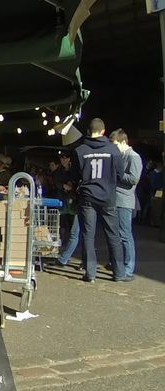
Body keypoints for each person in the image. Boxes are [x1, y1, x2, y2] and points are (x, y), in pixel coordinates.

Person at [70, 118, 127, 282]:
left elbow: (75, 176)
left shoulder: (80, 150)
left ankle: (90, 273)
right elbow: (120, 175)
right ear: (103, 131)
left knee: (88, 235)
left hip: (87, 197)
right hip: (108, 197)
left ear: (88, 131)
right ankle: (118, 273)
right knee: (113, 235)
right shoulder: (113, 149)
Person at [112, 129, 142, 277]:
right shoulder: (122, 156)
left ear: (123, 142)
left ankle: (129, 267)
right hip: (117, 199)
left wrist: (118, 175)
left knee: (125, 234)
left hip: (125, 200)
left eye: (116, 144)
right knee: (117, 233)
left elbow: (134, 179)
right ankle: (118, 262)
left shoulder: (133, 157)